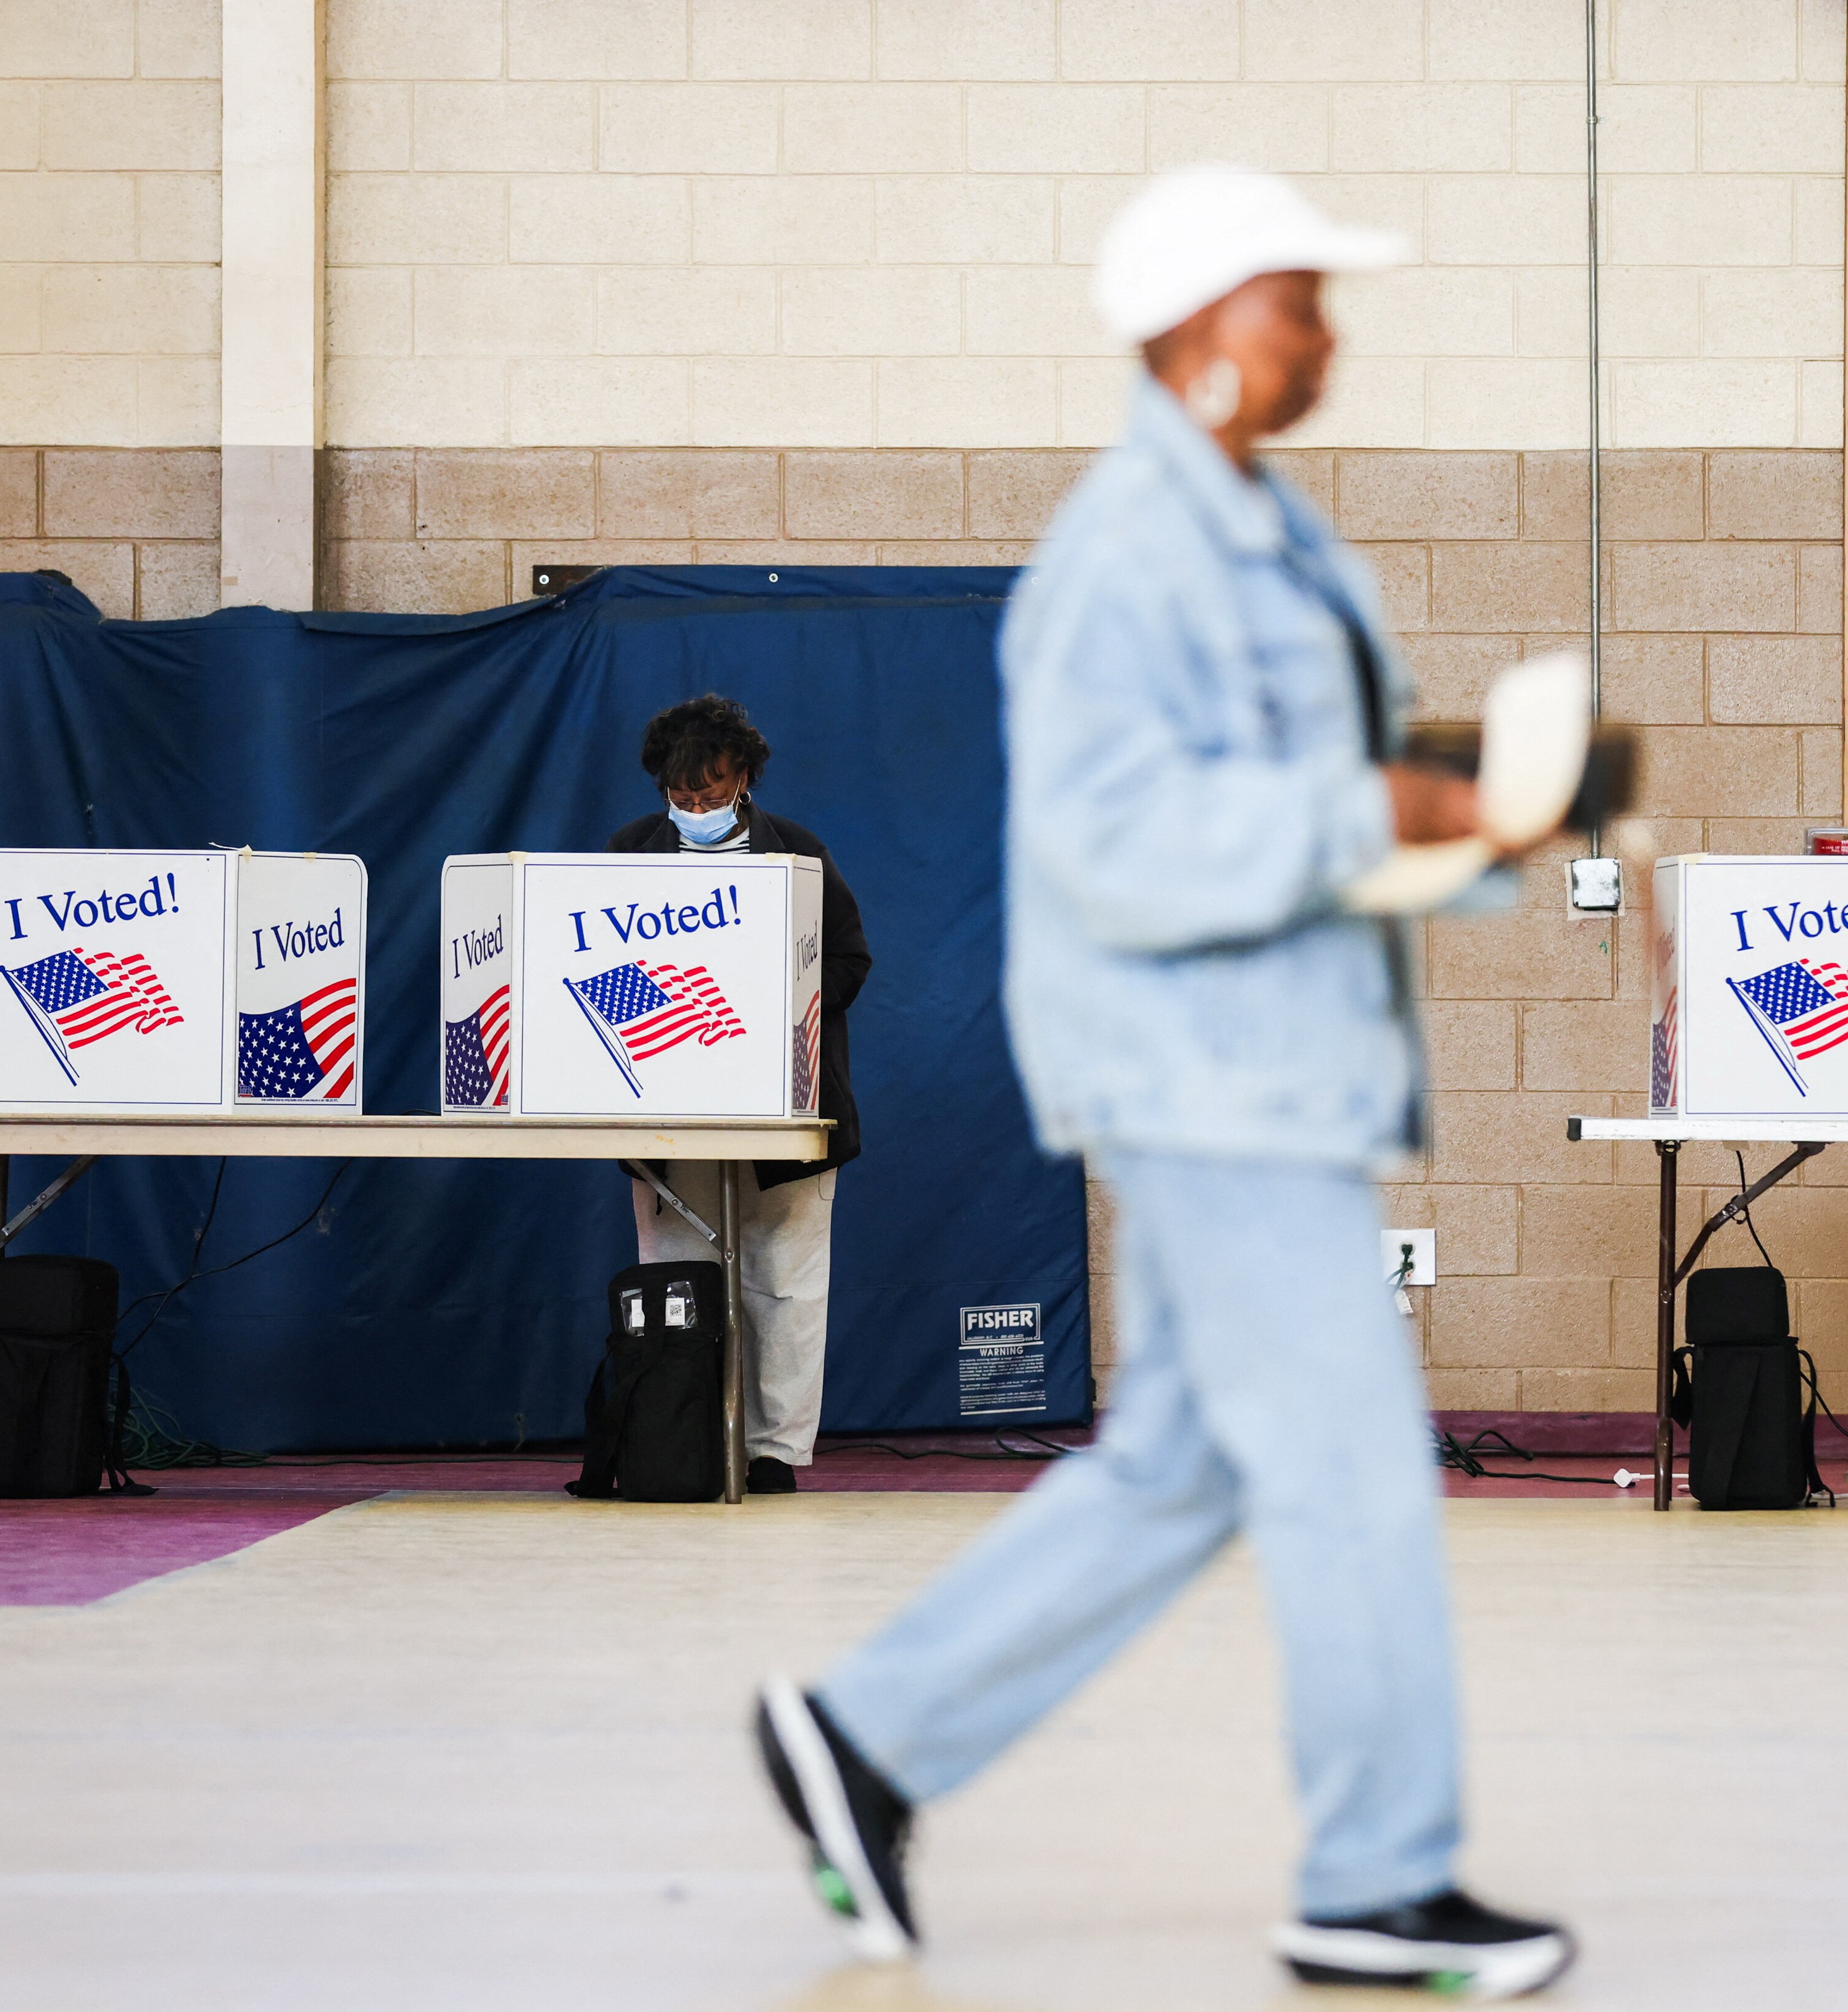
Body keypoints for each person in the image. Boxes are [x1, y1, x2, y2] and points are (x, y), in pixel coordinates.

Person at [752, 167, 1574, 1998]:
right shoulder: (1132, 550)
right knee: (1359, 1467)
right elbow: (1123, 838)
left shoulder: (1264, 532)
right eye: (1302, 303)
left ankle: (868, 1736)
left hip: (1274, 1069)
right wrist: (1388, 806)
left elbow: (1318, 801)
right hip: (1212, 1082)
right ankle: (1375, 1877)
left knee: (1185, 1469)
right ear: (1205, 332)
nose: (1329, 336)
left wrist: (1513, 813)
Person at [608, 693, 870, 1495]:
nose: (695, 808)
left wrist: (778, 1005)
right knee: (677, 1275)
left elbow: (849, 959)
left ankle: (775, 1451)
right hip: (666, 1103)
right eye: (680, 798)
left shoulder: (797, 853)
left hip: (786, 1101)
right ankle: (681, 1436)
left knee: (785, 1280)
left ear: (745, 777)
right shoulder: (628, 854)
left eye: (711, 791)